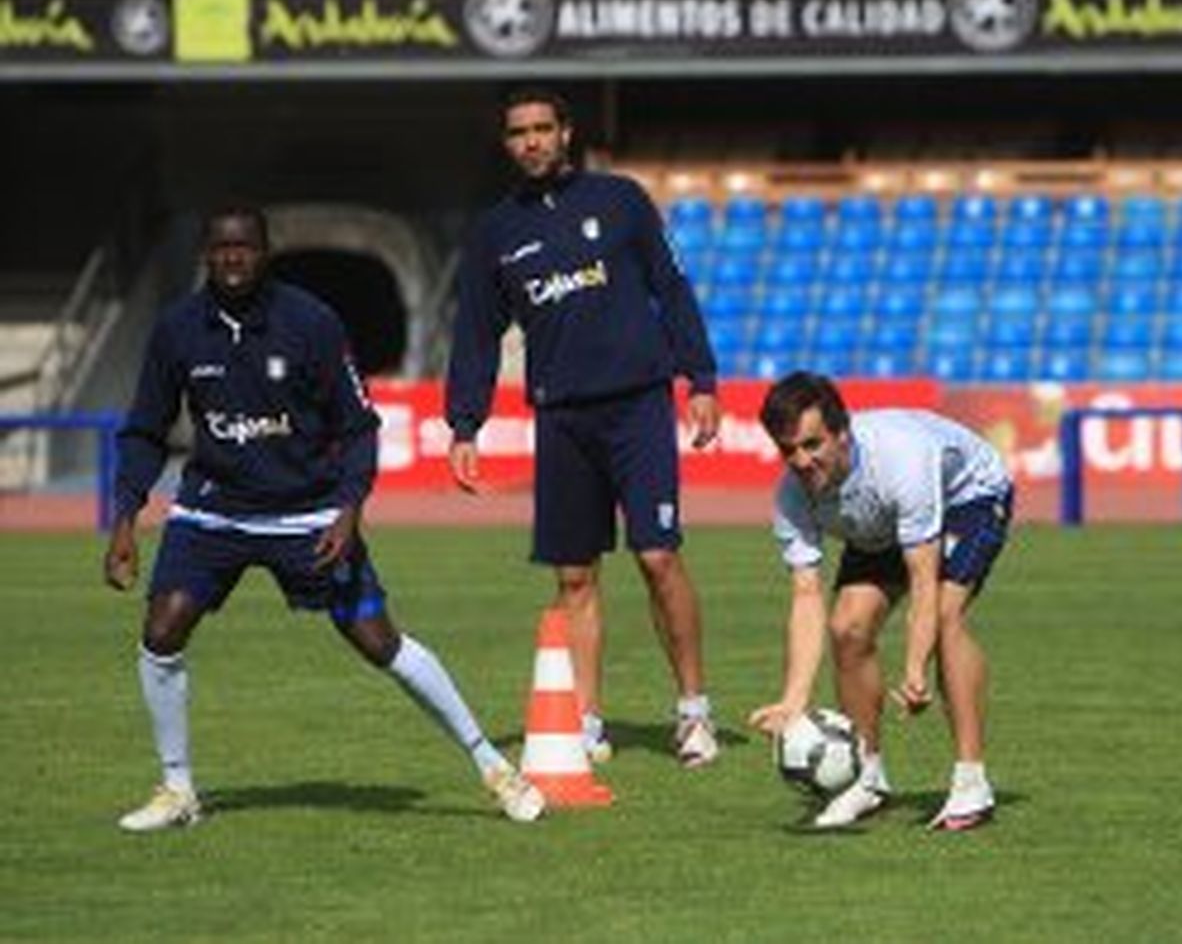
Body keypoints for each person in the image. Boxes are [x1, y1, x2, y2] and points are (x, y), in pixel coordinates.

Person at [104, 206, 544, 832]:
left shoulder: (310, 322)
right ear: (206, 252)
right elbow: (146, 428)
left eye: (246, 247)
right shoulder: (178, 329)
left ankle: (493, 766)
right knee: (162, 628)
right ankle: (177, 790)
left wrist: (347, 511)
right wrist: (126, 514)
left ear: (266, 251)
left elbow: (359, 427)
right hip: (213, 511)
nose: (233, 258)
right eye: (222, 247)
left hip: (307, 512)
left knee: (378, 642)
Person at [446, 86, 721, 768]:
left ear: (566, 133)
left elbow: (671, 286)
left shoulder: (621, 200)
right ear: (507, 144)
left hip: (637, 405)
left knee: (658, 556)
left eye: (544, 127)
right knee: (574, 578)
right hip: (562, 416)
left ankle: (693, 712)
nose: (532, 141)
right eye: (519, 132)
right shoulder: (495, 232)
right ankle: (586, 721)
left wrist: (702, 379)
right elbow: (477, 334)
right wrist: (464, 423)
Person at [748, 372, 1013, 832]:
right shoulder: (791, 495)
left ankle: (972, 783)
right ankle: (866, 779)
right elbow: (806, 596)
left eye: (813, 445)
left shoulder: (902, 460)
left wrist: (914, 669)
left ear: (842, 433)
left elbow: (923, 580)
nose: (802, 461)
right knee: (847, 627)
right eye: (788, 449)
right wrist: (794, 699)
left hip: (967, 496)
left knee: (947, 617)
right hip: (882, 521)